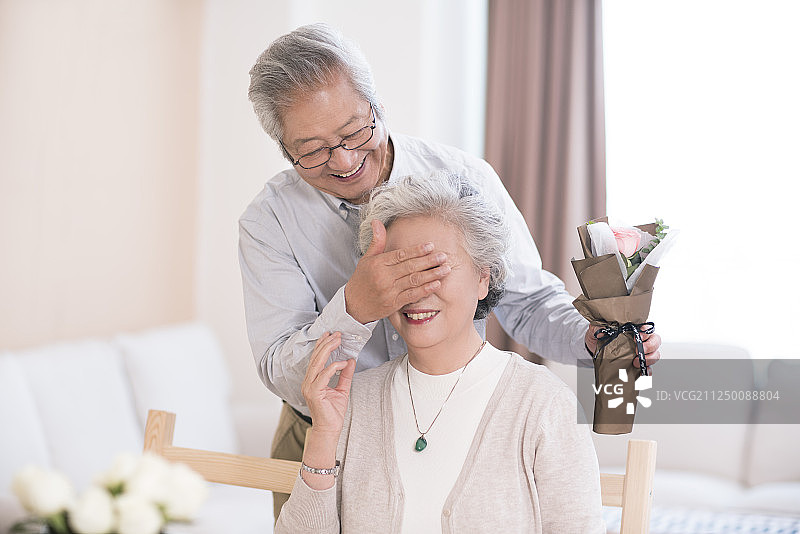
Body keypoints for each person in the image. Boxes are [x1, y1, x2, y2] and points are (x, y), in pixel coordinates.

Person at [239, 22, 661, 516]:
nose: (346, 160)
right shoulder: (268, 222)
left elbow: (527, 301)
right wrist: (356, 308)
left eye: (355, 131)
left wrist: (591, 339)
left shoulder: (465, 179)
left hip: (456, 417)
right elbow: (280, 370)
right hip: (323, 434)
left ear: (377, 105)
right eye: (311, 151)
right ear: (285, 149)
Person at [275, 172, 604, 533]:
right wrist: (323, 435)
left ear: (484, 277)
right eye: (399, 271)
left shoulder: (543, 404)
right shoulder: (353, 402)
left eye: (433, 268)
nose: (416, 290)